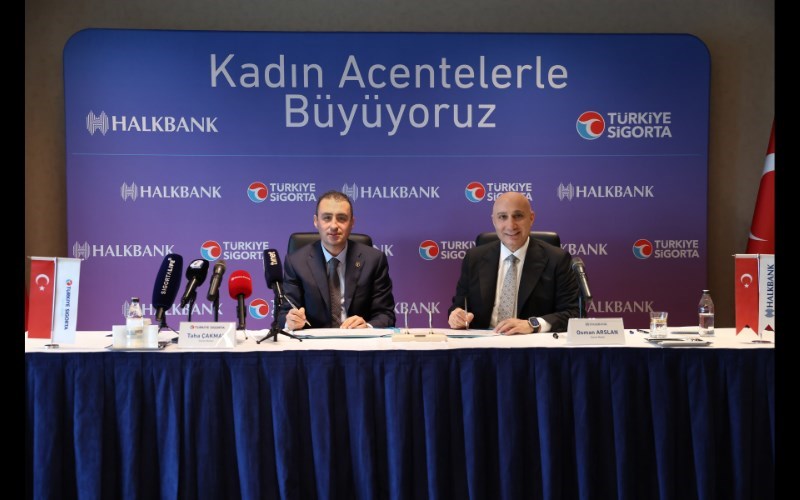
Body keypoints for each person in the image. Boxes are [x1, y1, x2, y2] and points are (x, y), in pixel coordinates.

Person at [447, 191, 580, 334]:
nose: (511, 225)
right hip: (484, 342)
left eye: (518, 216)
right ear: (494, 221)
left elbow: (573, 313)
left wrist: (533, 324)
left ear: (531, 218)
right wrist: (457, 316)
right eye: (502, 217)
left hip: (532, 343)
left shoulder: (557, 259)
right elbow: (459, 306)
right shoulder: (474, 258)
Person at [280, 190, 396, 330]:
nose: (334, 226)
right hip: (314, 342)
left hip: (358, 340)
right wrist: (290, 322)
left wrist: (367, 327)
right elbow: (283, 314)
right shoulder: (296, 262)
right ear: (316, 221)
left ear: (352, 222)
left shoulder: (374, 260)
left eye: (341, 218)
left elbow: (386, 314)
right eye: (327, 218)